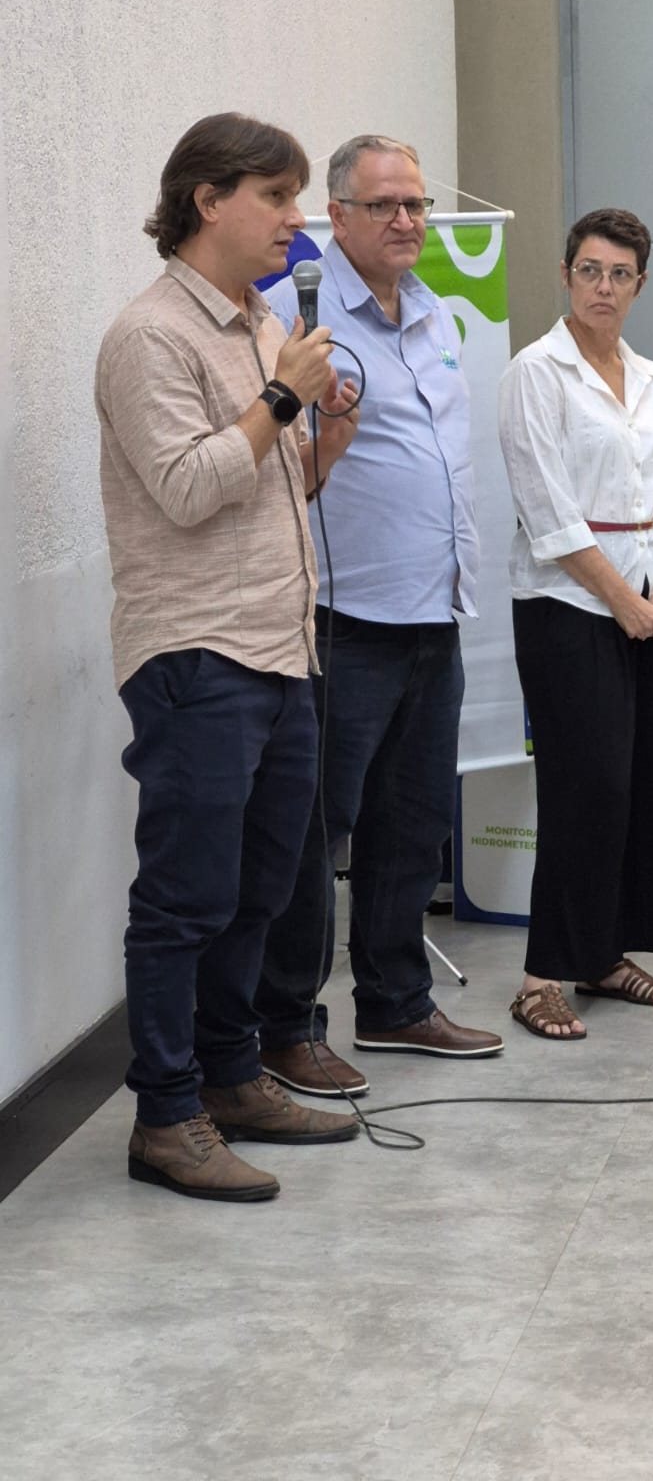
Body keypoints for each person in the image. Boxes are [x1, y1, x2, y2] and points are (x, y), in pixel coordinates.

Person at [96, 112, 362, 1202]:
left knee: (262, 890)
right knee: (186, 897)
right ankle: (166, 1117)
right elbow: (187, 488)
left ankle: (230, 1074)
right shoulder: (149, 336)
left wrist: (321, 440)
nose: (298, 221)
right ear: (208, 201)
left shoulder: (262, 325)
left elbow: (268, 487)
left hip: (280, 648)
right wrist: (284, 397)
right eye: (278, 198)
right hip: (196, 655)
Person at [255, 134, 502, 1095]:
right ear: (338, 217)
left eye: (416, 205)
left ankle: (397, 1003)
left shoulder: (434, 314)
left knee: (412, 822)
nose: (406, 220)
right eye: (384, 205)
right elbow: (272, 471)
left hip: (434, 609)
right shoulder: (295, 317)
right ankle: (287, 1025)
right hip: (342, 617)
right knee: (314, 833)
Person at [497, 208, 653, 1040]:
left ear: (640, 285)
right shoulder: (536, 373)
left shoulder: (652, 378)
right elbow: (547, 509)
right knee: (588, 787)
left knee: (649, 780)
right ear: (565, 275)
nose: (603, 287)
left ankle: (603, 953)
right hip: (572, 605)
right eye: (590, 270)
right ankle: (541, 977)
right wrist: (623, 599)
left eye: (620, 275)